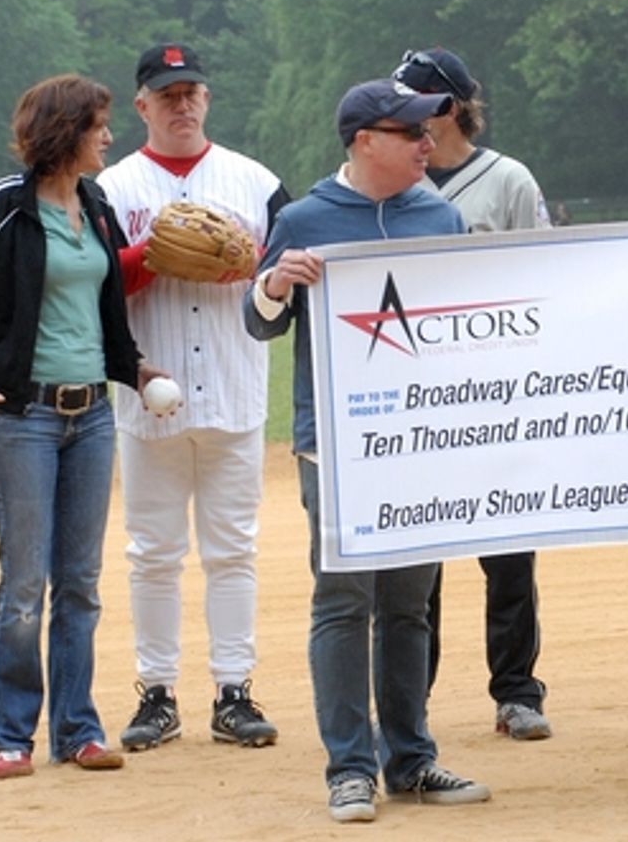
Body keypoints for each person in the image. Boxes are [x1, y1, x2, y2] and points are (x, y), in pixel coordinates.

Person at [243, 79, 490, 823]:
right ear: (363, 141)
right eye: (410, 132)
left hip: (421, 443)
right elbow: (261, 326)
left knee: (411, 606)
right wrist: (273, 285)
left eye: (428, 132)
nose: (426, 143)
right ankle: (349, 768)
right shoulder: (304, 217)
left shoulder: (439, 214)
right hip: (339, 450)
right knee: (345, 602)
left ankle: (411, 759)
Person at [0, 74, 163, 779]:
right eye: (99, 126)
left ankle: (77, 728)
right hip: (21, 418)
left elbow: (108, 302)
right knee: (26, 582)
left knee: (82, 581)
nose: (109, 138)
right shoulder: (5, 203)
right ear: (66, 130)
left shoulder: (96, 204)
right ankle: (11, 734)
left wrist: (137, 369)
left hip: (91, 415)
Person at [97, 43, 288, 753]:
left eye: (192, 91)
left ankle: (234, 690)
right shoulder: (112, 189)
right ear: (142, 105)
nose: (182, 104)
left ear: (208, 99)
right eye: (166, 94)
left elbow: (284, 285)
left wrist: (256, 270)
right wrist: (148, 255)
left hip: (236, 390)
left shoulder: (256, 182)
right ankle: (156, 693)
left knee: (233, 548)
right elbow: (99, 291)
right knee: (152, 551)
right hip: (149, 395)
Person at [392, 46, 554, 741]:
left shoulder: (507, 180)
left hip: (495, 392)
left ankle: (516, 689)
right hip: (418, 399)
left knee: (508, 549)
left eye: (413, 102)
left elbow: (546, 273)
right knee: (417, 563)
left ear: (447, 108)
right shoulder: (392, 181)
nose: (399, 115)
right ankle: (410, 697)